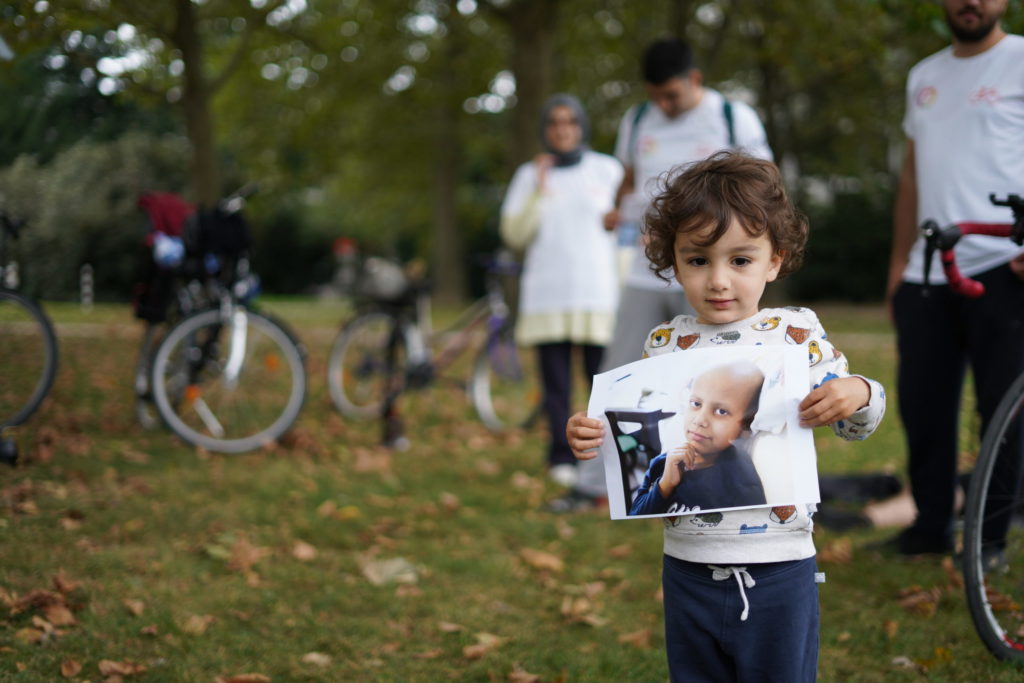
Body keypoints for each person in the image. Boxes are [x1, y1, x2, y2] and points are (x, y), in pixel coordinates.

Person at [567, 152, 886, 681]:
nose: (718, 280)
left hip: (781, 565)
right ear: (672, 260)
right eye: (698, 260)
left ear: (775, 261)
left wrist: (855, 392)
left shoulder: (795, 333)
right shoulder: (666, 343)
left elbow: (859, 424)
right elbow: (638, 440)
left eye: (740, 260)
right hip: (687, 565)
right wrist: (592, 434)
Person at [554, 37, 773, 511]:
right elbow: (629, 179)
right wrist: (617, 212)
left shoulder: (733, 117)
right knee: (617, 374)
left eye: (671, 95)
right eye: (655, 96)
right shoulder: (637, 120)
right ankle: (595, 484)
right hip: (645, 268)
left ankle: (750, 482)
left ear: (695, 81)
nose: (663, 105)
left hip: (712, 274)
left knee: (722, 378)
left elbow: (763, 190)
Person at [886, 0, 1024, 556]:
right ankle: (929, 527)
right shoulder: (924, 75)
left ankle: (988, 539)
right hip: (927, 272)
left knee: (1003, 413)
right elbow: (914, 174)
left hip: (1003, 264)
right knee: (923, 408)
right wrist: (898, 263)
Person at [499, 93, 623, 487]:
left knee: (601, 385)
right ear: (545, 130)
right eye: (554, 123)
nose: (562, 129)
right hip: (548, 295)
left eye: (570, 121)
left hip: (598, 295)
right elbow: (514, 234)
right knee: (555, 387)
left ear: (581, 125)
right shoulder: (528, 175)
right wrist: (538, 188)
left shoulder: (607, 170)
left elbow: (626, 232)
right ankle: (560, 455)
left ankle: (607, 461)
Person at [629, 360, 767, 515]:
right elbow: (636, 515)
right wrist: (665, 485)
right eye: (696, 403)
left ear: (746, 425)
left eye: (721, 411)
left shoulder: (741, 480)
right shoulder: (663, 462)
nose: (699, 420)